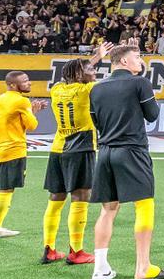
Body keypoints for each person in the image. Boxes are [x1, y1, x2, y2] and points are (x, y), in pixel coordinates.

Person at [87, 44, 164, 279]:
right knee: (144, 204)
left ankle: (100, 270)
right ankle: (143, 267)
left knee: (108, 209)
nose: (140, 61)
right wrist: (142, 80)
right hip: (132, 151)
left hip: (105, 152)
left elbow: (97, 121)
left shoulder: (96, 88)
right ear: (124, 61)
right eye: (137, 57)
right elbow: (153, 115)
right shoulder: (139, 83)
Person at [40, 42, 113, 264]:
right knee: (81, 197)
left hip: (58, 148)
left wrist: (94, 59)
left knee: (56, 198)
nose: (94, 73)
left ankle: (49, 249)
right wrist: (100, 59)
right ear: (80, 75)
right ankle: (76, 251)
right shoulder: (87, 89)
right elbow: (110, 83)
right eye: (91, 71)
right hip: (81, 147)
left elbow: (73, 73)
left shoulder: (57, 90)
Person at [0, 71, 46, 239]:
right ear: (13, 85)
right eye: (25, 81)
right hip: (13, 150)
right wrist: (34, 111)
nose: (29, 83)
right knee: (7, 191)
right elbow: (32, 126)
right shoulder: (22, 101)